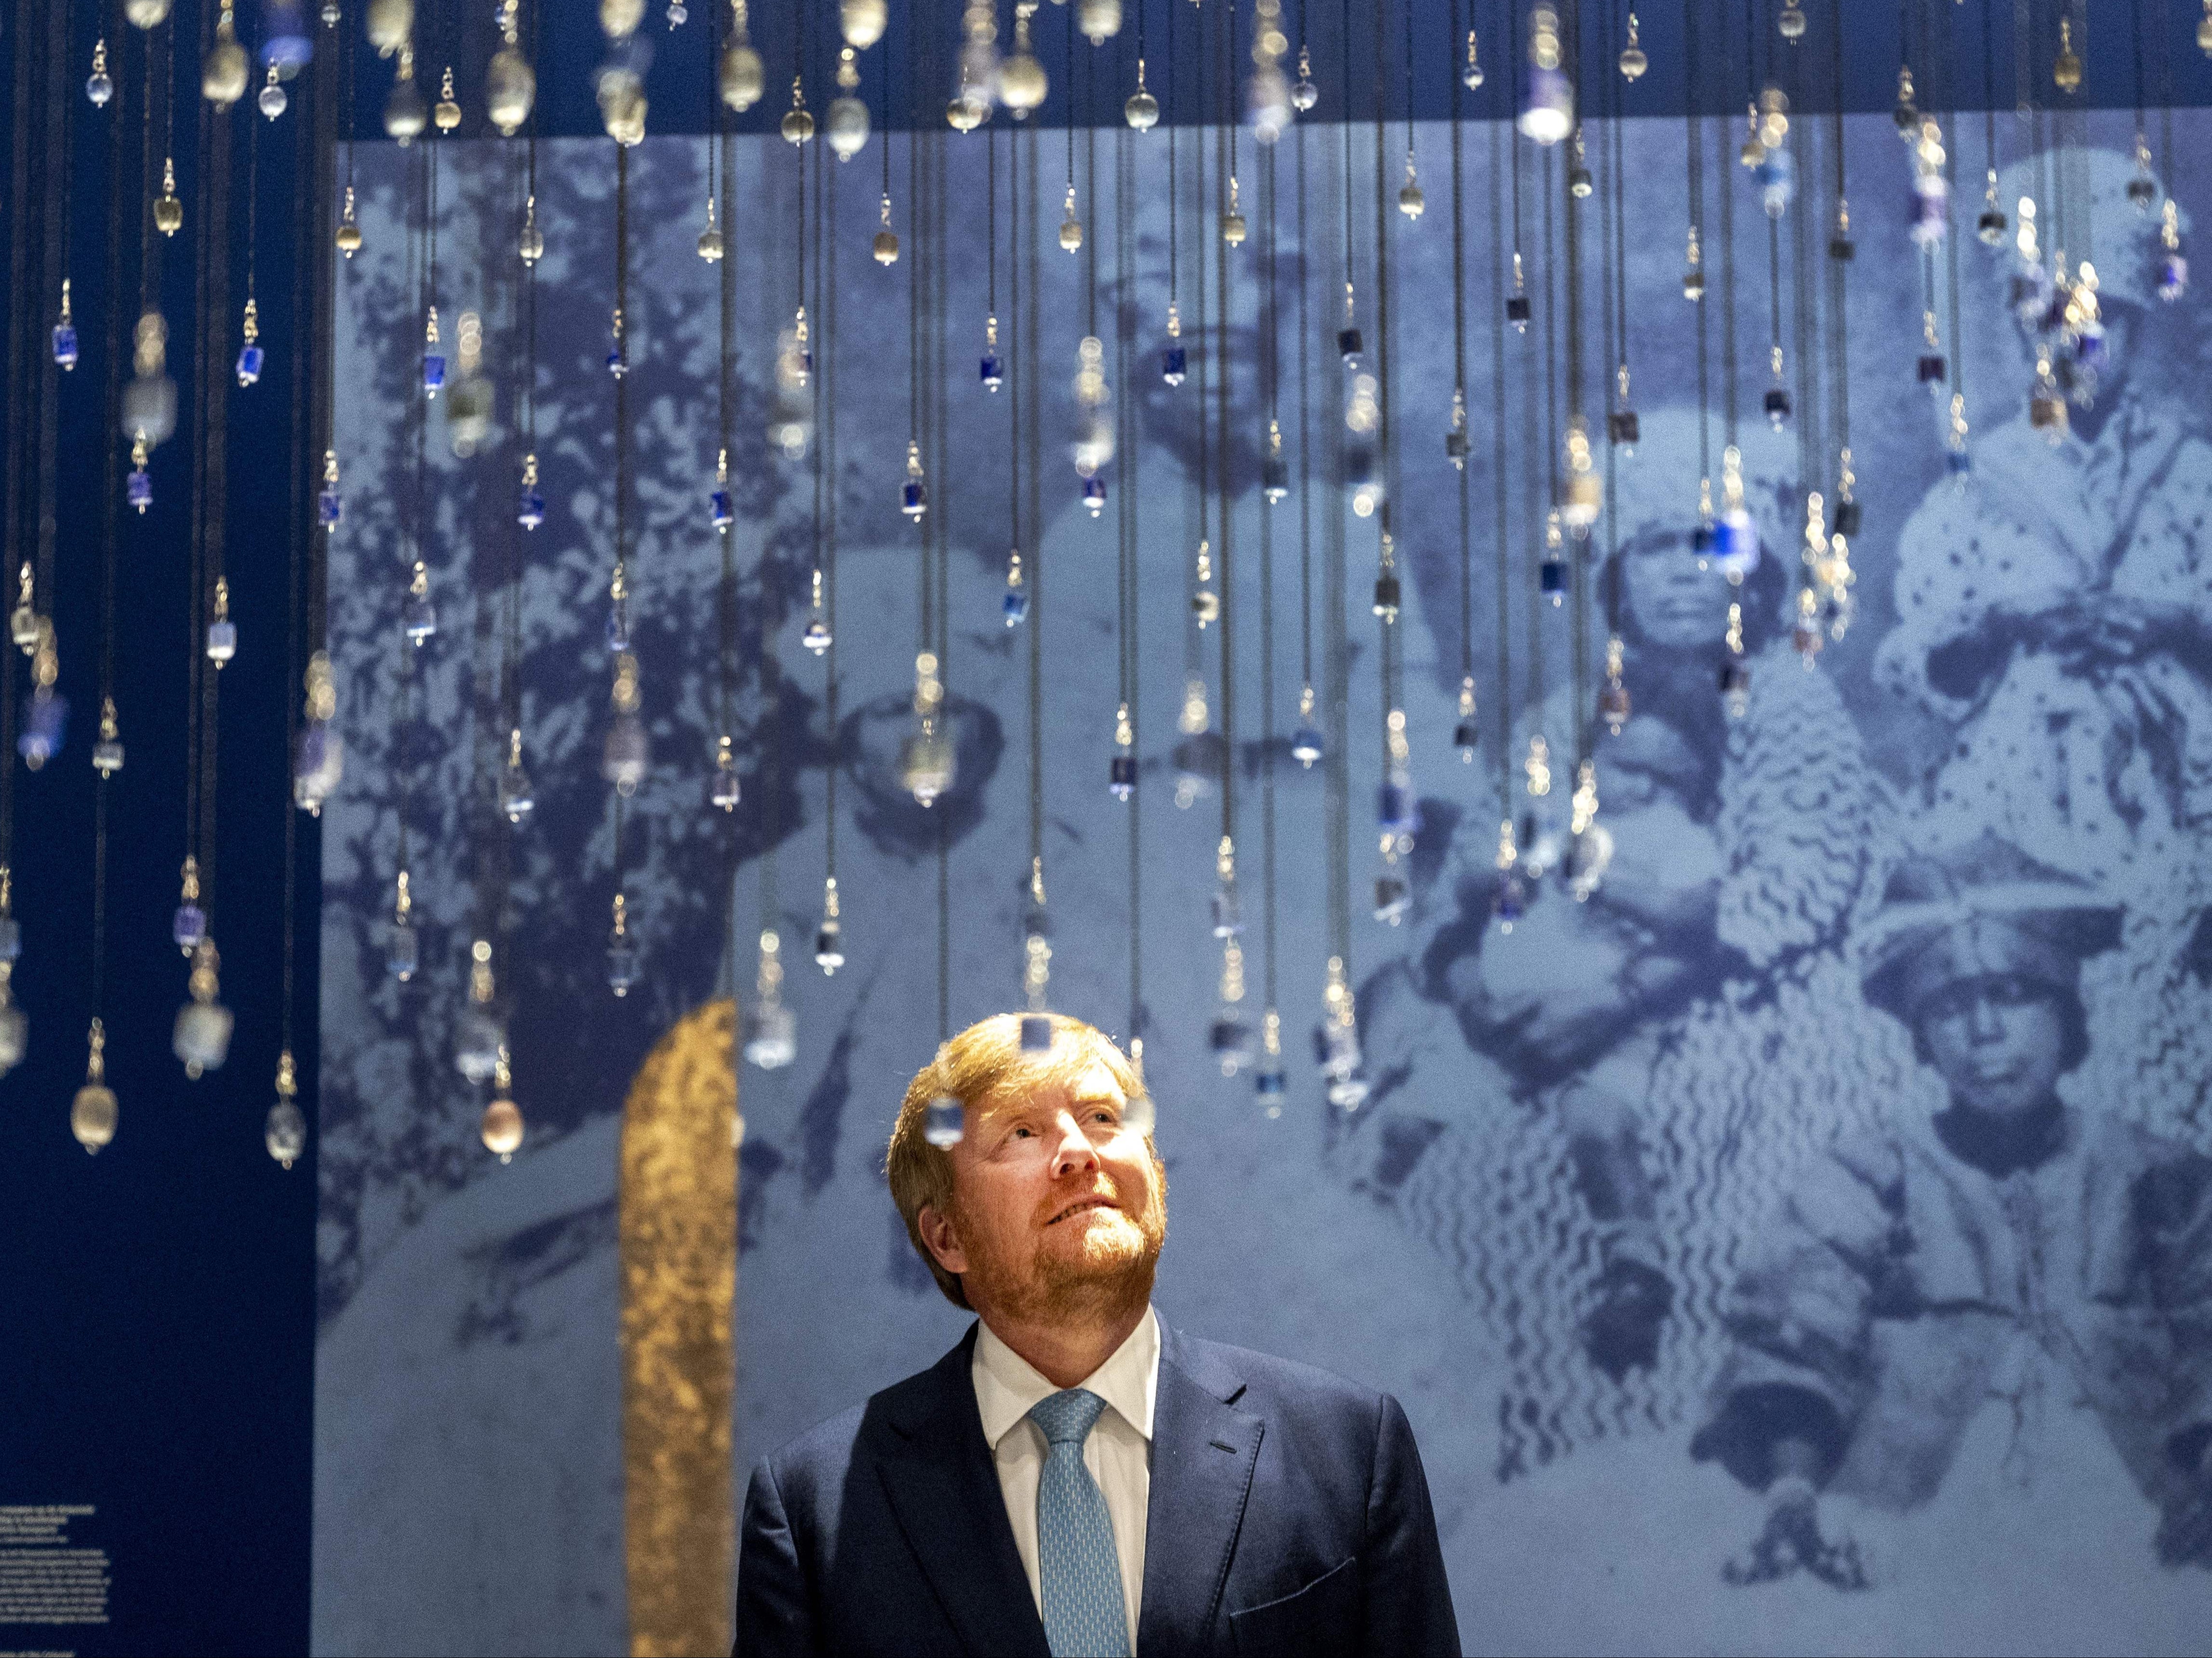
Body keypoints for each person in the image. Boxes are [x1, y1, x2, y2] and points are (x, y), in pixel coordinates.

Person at [734, 1013, 1461, 1658]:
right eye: (1022, 1131)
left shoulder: (1346, 1449)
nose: (1080, 1152)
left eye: (1106, 1119)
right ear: (946, 1234)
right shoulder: (815, 1508)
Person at [1691, 835, 2212, 1586]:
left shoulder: (2158, 1176)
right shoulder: (1866, 1175)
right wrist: (1793, 1494)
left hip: (2140, 1514)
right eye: (1950, 1007)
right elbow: (1795, 1342)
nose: (1985, 1033)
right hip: (1912, 1518)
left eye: (2012, 995)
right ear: (1922, 1039)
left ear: (2068, 1014)